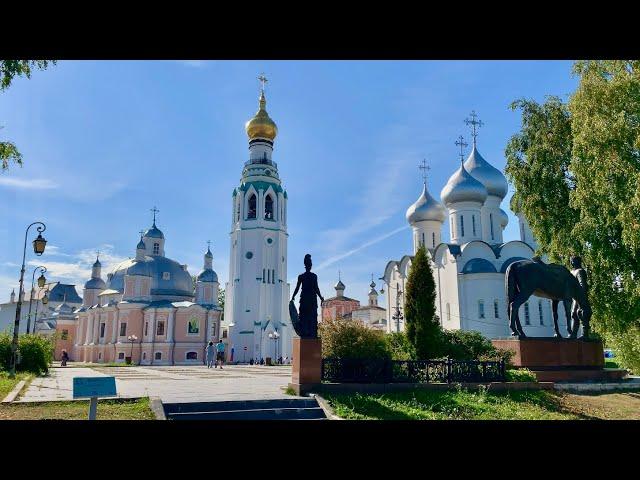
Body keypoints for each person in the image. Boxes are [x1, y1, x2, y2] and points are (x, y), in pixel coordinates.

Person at [291, 254, 324, 338]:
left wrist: (293, 296)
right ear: (308, 265)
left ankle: (308, 334)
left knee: (307, 316)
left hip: (307, 299)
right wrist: (320, 297)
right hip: (310, 299)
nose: (310, 266)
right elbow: (316, 288)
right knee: (310, 316)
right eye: (309, 264)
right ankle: (311, 334)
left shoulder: (303, 276)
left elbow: (298, 288)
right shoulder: (311, 276)